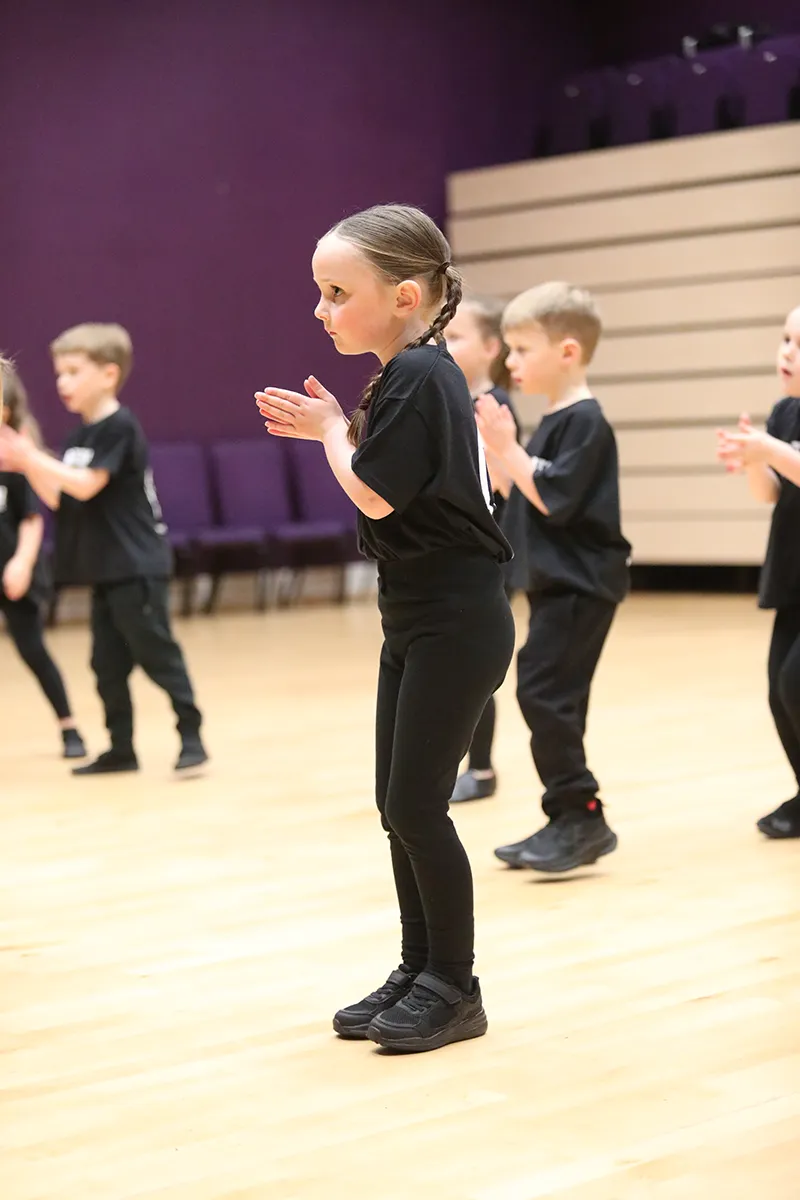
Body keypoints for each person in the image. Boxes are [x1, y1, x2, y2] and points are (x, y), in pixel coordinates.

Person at [255, 204, 515, 1053]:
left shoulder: (420, 375)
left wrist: (332, 432)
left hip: (456, 622)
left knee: (416, 805)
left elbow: (375, 493)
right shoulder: (408, 376)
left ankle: (455, 985)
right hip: (417, 617)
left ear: (404, 296)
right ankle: (418, 967)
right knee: (396, 805)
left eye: (337, 293)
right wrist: (347, 425)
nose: (321, 310)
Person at [0, 324, 207, 776]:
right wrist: (25, 463)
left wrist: (28, 456)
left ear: (109, 374)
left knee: (156, 652)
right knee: (105, 664)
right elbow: (62, 498)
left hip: (137, 565)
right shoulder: (76, 441)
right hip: (106, 568)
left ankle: (191, 735)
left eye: (73, 372)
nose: (62, 383)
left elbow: (89, 485)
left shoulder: (120, 426)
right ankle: (121, 748)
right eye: (59, 374)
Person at [476, 282, 630, 874]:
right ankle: (565, 814)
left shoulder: (587, 422)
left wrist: (510, 448)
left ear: (567, 351)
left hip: (581, 585)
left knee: (543, 693)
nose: (509, 363)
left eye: (520, 349)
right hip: (558, 585)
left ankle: (582, 815)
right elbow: (525, 492)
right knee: (550, 696)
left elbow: (556, 497)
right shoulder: (558, 421)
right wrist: (498, 450)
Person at [717, 303, 800, 838]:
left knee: (796, 684)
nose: (787, 353)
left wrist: (767, 448)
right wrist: (753, 463)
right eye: (785, 339)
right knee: (777, 688)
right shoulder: (786, 411)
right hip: (793, 571)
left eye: (799, 344)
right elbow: (772, 491)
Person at [445, 295, 520, 805]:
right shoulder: (454, 399)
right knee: (456, 665)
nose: (445, 346)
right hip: (461, 553)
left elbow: (498, 484)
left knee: (472, 667)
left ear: (492, 347)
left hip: (489, 554)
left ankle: (484, 769)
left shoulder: (493, 407)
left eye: (456, 337)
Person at [0, 356, 86, 757]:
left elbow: (32, 519)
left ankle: (69, 726)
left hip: (14, 569)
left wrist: (21, 562)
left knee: (32, 648)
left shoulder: (17, 455)